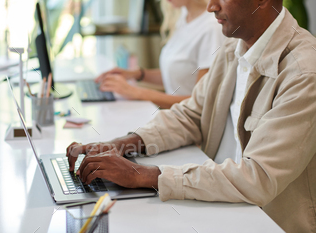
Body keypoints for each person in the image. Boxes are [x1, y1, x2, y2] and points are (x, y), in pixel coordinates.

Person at [66, 0, 316, 232]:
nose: (211, 6)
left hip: (267, 222)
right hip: (220, 204)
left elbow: (257, 177)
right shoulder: (233, 47)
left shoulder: (305, 73)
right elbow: (191, 114)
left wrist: (142, 175)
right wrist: (122, 145)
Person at [95, 0, 224, 109]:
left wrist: (137, 93)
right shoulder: (184, 15)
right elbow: (180, 75)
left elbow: (199, 102)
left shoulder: (212, 28)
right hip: (175, 116)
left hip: (191, 125)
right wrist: (137, 74)